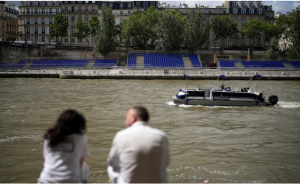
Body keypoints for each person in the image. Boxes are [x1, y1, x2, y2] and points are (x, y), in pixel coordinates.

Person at [107, 106, 170, 183]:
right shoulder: (161, 136)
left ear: (133, 118)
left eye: (126, 117)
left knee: (111, 168)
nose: (125, 120)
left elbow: (112, 162)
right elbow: (166, 162)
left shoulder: (121, 135)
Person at [38, 109, 90, 183]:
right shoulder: (80, 137)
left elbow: (47, 158)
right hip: (70, 180)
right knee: (84, 167)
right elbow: (81, 161)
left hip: (45, 179)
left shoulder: (49, 136)